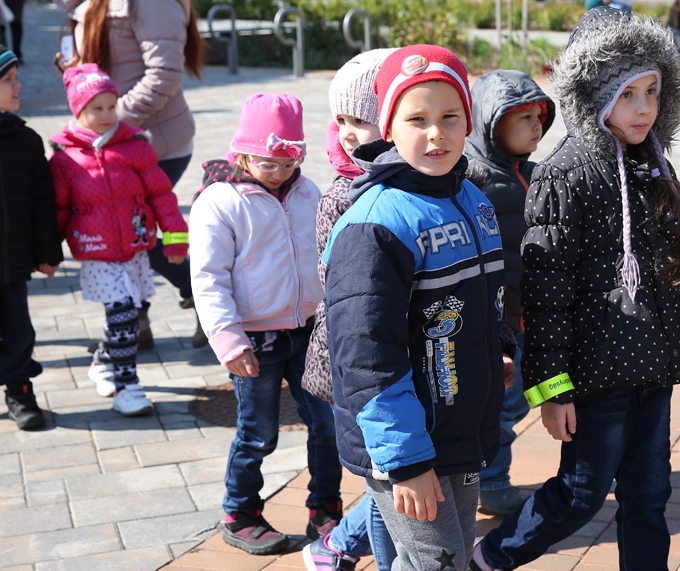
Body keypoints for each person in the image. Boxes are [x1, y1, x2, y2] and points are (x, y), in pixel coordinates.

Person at [472, 7, 680, 571]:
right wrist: (553, 391)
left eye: (652, 92)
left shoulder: (655, 165)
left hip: (651, 367)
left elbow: (677, 266)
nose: (645, 108)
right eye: (627, 95)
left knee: (649, 493)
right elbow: (546, 292)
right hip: (595, 374)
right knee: (580, 493)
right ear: (595, 94)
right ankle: (490, 558)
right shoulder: (566, 173)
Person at [324, 45, 516, 571]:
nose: (437, 134)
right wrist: (405, 461)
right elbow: (366, 356)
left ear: (468, 121)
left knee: (443, 557)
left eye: (450, 117)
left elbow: (485, 298)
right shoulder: (375, 224)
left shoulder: (472, 200)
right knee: (438, 560)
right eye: (417, 119)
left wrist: (497, 346)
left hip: (458, 427)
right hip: (406, 439)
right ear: (388, 127)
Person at [189, 93, 342, 555]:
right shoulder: (220, 201)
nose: (278, 172)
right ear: (242, 153)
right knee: (258, 432)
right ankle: (241, 512)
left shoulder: (308, 192)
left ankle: (325, 506)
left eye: (288, 162)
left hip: (309, 330)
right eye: (267, 163)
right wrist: (229, 341)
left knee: (329, 422)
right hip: (254, 338)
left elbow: (326, 254)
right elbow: (208, 277)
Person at [46, 0, 205, 349]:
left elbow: (164, 75)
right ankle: (135, 322)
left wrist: (115, 124)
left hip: (154, 141)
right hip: (113, 142)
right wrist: (75, 73)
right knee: (122, 229)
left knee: (135, 232)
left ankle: (205, 295)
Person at [303, 48, 398, 571]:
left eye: (358, 121)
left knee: (394, 481)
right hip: (358, 361)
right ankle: (344, 550)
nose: (344, 133)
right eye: (339, 120)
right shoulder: (346, 195)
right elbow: (343, 292)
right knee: (386, 481)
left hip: (403, 354)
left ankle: (335, 546)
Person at [50, 64, 188, 417]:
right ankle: (127, 387)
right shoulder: (65, 159)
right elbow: (59, 209)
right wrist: (49, 253)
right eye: (96, 108)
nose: (106, 115)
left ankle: (101, 362)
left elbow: (161, 196)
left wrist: (175, 240)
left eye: (111, 106)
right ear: (77, 110)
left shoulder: (135, 147)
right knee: (125, 314)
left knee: (123, 315)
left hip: (134, 250)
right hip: (97, 252)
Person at [466, 70, 554, 517]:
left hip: (526, 315)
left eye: (540, 117)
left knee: (514, 401)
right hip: (492, 321)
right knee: (500, 404)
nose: (537, 126)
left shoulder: (534, 173)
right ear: (490, 121)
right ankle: (491, 481)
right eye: (524, 117)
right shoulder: (473, 178)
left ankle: (485, 475)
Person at [0, 45, 63, 431]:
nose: (17, 85)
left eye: (16, 78)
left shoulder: (25, 140)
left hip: (12, 264)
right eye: (7, 80)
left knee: (18, 330)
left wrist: (48, 252)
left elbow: (43, 202)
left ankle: (20, 390)